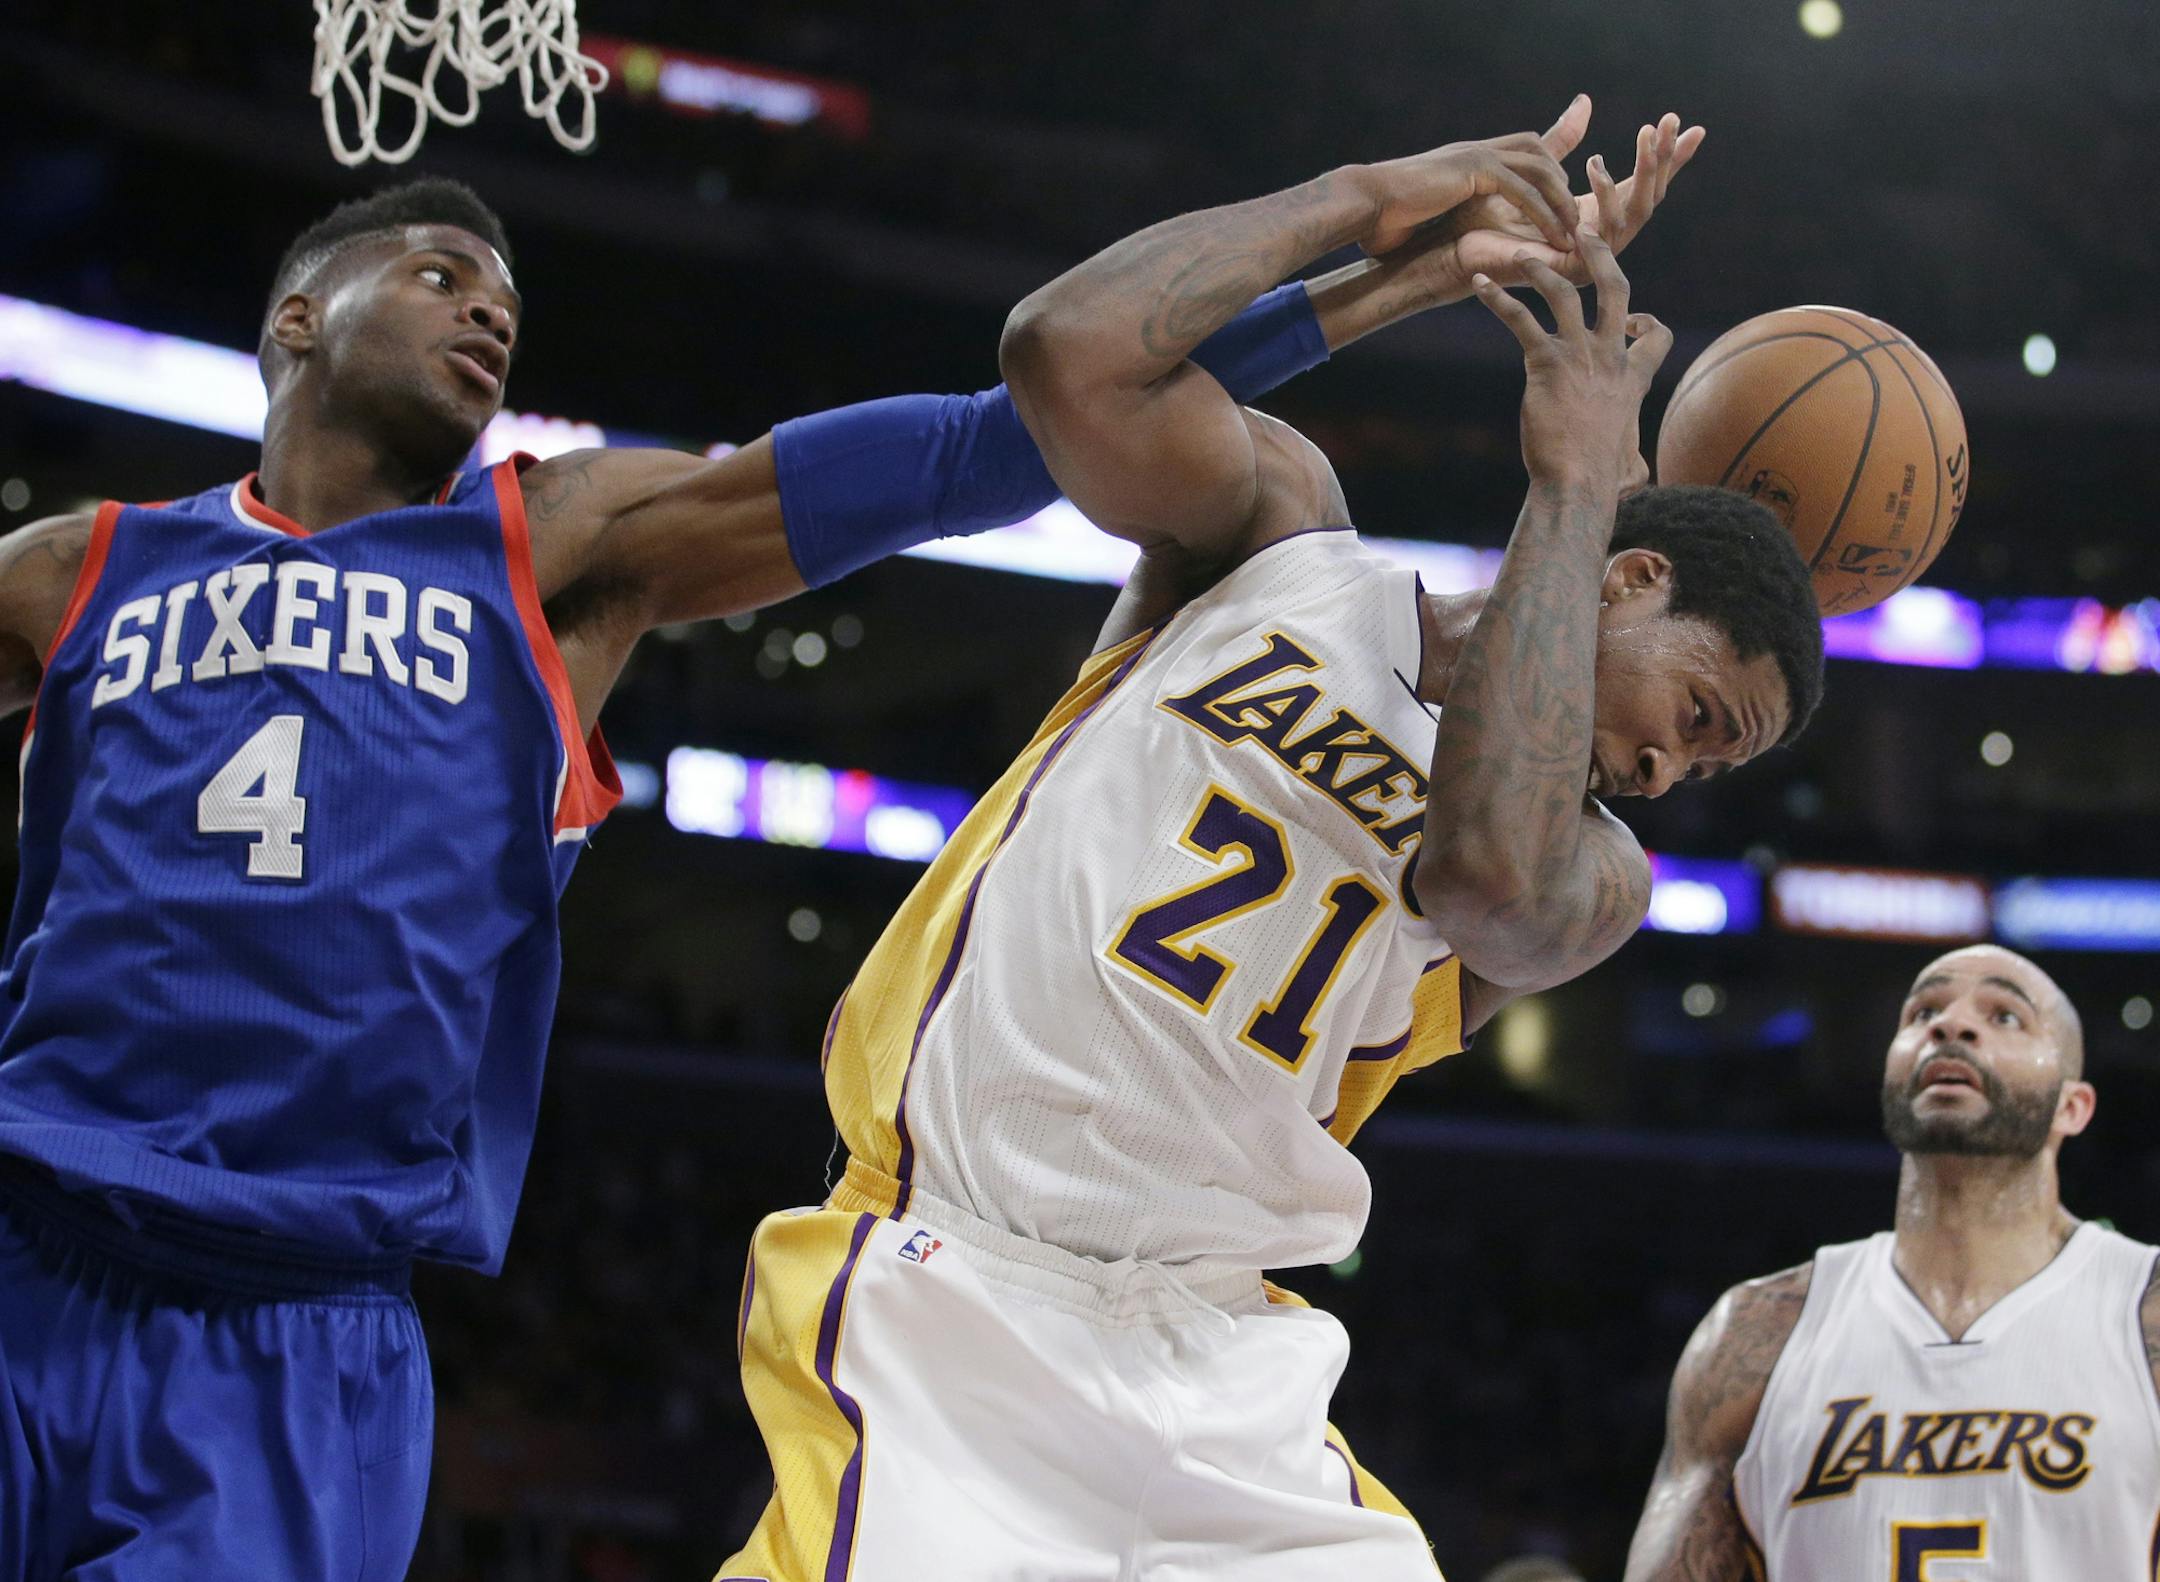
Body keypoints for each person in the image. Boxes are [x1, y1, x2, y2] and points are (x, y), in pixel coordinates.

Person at [0, 171, 1474, 1580]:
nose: (487, 311)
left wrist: (1359, 292)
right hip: (27, 1223)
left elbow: (986, 445)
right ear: (300, 316)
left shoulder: (548, 545)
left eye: (503, 300)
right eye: (440, 277)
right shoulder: (79, 570)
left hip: (291, 1309)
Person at [721, 102, 1823, 1581]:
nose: (1667, 770)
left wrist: (1570, 490)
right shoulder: (1281, 543)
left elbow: (1480, 878)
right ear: (1633, 580)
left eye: (1707, 764)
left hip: (1222, 1359)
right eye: (1695, 714)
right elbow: (1066, 352)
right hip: (957, 1277)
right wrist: (1392, 228)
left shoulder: (1594, 874)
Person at [1623, 945, 2159, 1581]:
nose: (1952, 1025)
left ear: (2073, 1107)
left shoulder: (2143, 1311)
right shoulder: (1756, 1332)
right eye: (1923, 1011)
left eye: (2004, 1016)